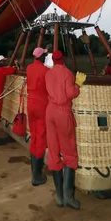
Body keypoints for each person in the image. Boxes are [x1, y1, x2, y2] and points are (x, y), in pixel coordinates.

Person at [45, 50, 85, 210]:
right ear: (63, 59)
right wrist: (78, 85)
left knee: (54, 152)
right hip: (62, 112)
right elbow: (70, 93)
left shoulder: (48, 74)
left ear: (53, 60)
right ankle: (69, 196)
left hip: (50, 112)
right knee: (69, 153)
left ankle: (59, 197)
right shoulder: (68, 74)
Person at [27, 47, 49, 186]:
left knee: (34, 135)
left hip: (30, 105)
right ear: (40, 57)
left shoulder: (29, 68)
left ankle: (34, 169)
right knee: (41, 137)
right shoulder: (46, 71)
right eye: (44, 55)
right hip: (42, 106)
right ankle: (37, 176)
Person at [0, 55, 18, 146]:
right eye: (3, 61)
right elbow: (12, 70)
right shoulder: (1, 70)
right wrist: (16, 66)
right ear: (0, 62)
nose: (4, 63)